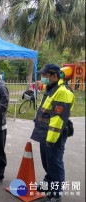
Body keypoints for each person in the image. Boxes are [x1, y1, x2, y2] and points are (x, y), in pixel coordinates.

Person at [31, 64, 75, 202]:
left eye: (45, 75)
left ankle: (56, 194)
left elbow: (57, 120)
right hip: (46, 133)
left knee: (54, 163)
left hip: (54, 135)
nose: (42, 78)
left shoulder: (63, 92)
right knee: (47, 162)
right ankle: (48, 183)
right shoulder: (52, 88)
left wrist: (51, 139)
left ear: (54, 76)